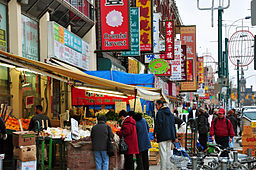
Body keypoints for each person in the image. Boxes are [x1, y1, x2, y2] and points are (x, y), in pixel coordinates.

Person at [154, 100, 177, 170]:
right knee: (168, 152)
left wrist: (156, 135)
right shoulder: (170, 113)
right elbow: (173, 125)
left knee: (163, 153)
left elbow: (158, 125)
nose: (156, 107)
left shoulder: (159, 113)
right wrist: (174, 136)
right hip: (169, 136)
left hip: (162, 136)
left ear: (160, 105)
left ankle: (163, 168)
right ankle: (168, 167)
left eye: (156, 105)